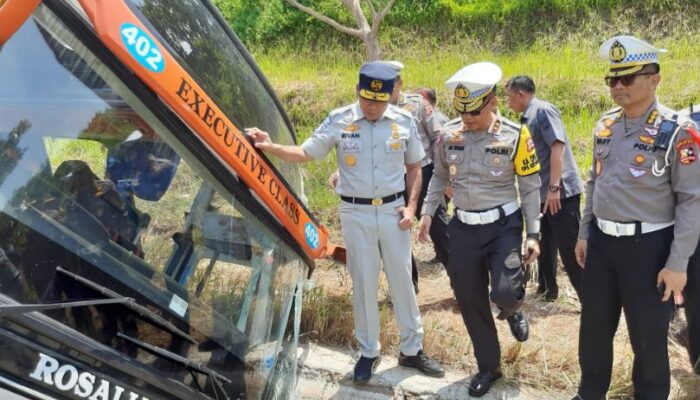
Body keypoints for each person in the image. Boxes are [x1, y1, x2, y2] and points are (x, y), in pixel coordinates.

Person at [246, 62, 444, 383]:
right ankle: (368, 351)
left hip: (394, 212)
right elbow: (307, 153)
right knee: (364, 283)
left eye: (379, 102)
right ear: (357, 91)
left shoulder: (404, 121)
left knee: (402, 281)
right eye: (367, 100)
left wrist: (411, 208)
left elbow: (414, 168)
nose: (372, 107)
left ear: (390, 96)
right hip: (356, 213)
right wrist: (270, 146)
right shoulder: (340, 120)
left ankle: (412, 349)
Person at [573, 36, 700, 399]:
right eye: (612, 80)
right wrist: (584, 233)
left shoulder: (679, 132)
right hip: (601, 244)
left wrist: (678, 264)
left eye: (628, 78)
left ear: (655, 78)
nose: (618, 87)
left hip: (650, 248)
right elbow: (594, 181)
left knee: (647, 338)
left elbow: (693, 202)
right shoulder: (605, 125)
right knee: (594, 328)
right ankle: (589, 391)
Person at [418, 62, 541, 397]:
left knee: (503, 291)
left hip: (503, 226)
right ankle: (489, 367)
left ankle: (512, 304)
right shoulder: (449, 135)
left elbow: (530, 187)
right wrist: (428, 214)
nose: (467, 118)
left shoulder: (516, 135)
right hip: (463, 227)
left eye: (473, 111)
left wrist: (533, 234)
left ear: (492, 102)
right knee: (470, 300)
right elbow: (439, 177)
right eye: (462, 111)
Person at [327, 61, 450, 292]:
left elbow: (437, 138)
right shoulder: (364, 110)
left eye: (389, 85)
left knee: (441, 230)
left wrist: (442, 177)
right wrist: (340, 172)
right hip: (387, 183)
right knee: (393, 239)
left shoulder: (418, 105)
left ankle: (462, 285)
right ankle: (407, 290)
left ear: (399, 84)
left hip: (420, 174)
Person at [505, 76, 585, 301]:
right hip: (543, 192)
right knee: (545, 242)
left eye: (510, 98)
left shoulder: (542, 111)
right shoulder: (527, 116)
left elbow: (557, 147)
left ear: (521, 94)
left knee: (570, 247)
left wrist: (554, 187)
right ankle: (548, 290)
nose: (508, 103)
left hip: (560, 193)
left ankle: (588, 296)